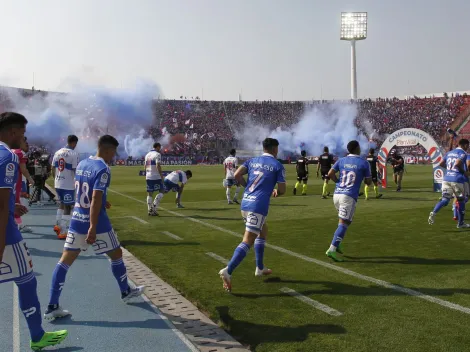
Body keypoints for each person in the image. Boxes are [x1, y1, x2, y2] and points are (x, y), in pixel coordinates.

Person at [44, 135, 145, 320]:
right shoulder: (103, 168)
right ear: (107, 150)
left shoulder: (83, 163)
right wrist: (93, 226)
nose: (113, 156)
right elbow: (96, 198)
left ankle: (52, 304)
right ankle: (125, 291)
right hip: (97, 223)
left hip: (76, 218)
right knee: (116, 255)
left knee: (64, 262)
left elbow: (86, 191)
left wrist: (100, 202)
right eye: (113, 152)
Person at [0, 112, 68, 349]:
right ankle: (37, 337)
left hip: (7, 220)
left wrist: (11, 205)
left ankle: (38, 335)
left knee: (25, 280)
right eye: (23, 132)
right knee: (27, 280)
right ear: (13, 132)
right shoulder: (8, 156)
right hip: (6, 234)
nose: (24, 137)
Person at [218, 138, 286, 292]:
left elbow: (236, 175)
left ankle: (260, 268)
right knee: (248, 239)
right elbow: (282, 190)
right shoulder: (277, 165)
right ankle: (228, 271)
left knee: (263, 230)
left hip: (246, 202)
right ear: (275, 149)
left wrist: (247, 187)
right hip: (258, 205)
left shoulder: (252, 160)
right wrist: (275, 191)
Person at [325, 140, 372, 262]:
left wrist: (338, 183)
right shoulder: (363, 163)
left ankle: (338, 242)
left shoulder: (341, 160)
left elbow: (330, 173)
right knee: (343, 223)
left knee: (346, 221)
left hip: (337, 195)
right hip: (348, 196)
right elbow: (368, 182)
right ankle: (332, 249)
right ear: (357, 148)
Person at [429, 138, 470, 228]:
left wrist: (450, 170)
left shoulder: (450, 153)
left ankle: (433, 212)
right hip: (457, 180)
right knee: (461, 201)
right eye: (468, 145)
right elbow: (458, 164)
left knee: (445, 199)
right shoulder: (462, 153)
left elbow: (441, 163)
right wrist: (464, 172)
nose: (468, 147)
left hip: (446, 179)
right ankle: (461, 223)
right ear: (465, 145)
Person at [52, 135, 79, 239]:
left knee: (62, 204)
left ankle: (57, 225)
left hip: (58, 183)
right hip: (68, 184)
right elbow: (75, 170)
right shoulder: (74, 153)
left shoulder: (57, 152)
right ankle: (63, 231)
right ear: (74, 142)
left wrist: (56, 179)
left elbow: (52, 168)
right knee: (68, 206)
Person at [12, 136, 35, 233]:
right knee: (16, 203)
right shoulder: (20, 153)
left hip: (9, 180)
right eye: (24, 142)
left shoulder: (11, 151)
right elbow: (23, 169)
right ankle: (18, 225)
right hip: (17, 181)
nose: (26, 144)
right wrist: (30, 179)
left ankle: (16, 224)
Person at [144, 142, 164, 216]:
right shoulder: (157, 154)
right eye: (160, 147)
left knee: (150, 193)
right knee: (162, 190)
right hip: (156, 176)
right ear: (158, 147)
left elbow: (145, 166)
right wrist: (161, 176)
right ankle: (154, 207)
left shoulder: (147, 155)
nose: (160, 149)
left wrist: (147, 174)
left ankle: (149, 209)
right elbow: (158, 165)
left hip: (148, 176)